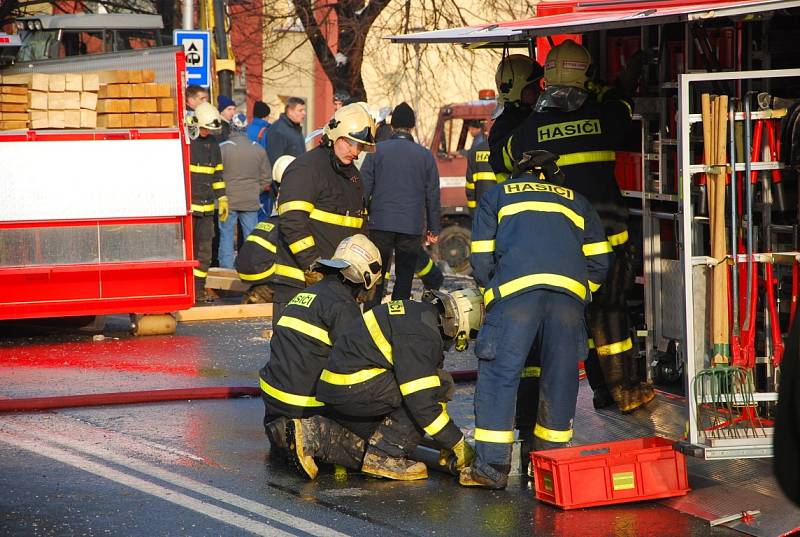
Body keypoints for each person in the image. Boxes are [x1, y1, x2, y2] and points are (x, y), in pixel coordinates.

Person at [488, 40, 653, 413]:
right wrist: (620, 84)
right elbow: (623, 106)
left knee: (573, 316)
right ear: (586, 77)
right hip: (609, 238)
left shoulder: (526, 132)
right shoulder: (604, 118)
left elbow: (505, 156)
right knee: (609, 312)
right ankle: (622, 389)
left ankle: (592, 391)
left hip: (558, 246)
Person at [461, 150, 612, 489]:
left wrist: (493, 290)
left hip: (515, 297)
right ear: (553, 175)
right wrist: (579, 291)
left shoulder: (497, 196)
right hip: (567, 304)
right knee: (560, 382)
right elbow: (601, 261)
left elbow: (481, 257)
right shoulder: (577, 201)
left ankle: (491, 469)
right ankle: (549, 469)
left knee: (500, 377)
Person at [287, 289, 483, 481]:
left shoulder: (417, 313)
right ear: (463, 327)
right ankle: (385, 457)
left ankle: (312, 434)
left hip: (341, 386)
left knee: (373, 437)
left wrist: (443, 440)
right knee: (438, 386)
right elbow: (423, 402)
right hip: (355, 386)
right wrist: (455, 442)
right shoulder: (423, 336)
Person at [259, 234, 383, 461]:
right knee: (376, 394)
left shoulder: (305, 295)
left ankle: (285, 433)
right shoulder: (343, 305)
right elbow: (358, 361)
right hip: (304, 406)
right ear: (362, 277)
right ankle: (318, 437)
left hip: (274, 405)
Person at [272, 103, 376, 320]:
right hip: (299, 286)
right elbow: (292, 222)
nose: (355, 152)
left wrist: (365, 274)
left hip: (338, 288)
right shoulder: (306, 169)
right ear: (334, 135)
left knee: (337, 352)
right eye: (350, 144)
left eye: (360, 147)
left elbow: (360, 229)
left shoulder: (352, 177)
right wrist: (313, 266)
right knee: (294, 351)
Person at [361, 102, 440, 309]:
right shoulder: (425, 156)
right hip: (411, 226)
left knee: (376, 274)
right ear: (412, 127)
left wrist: (361, 219)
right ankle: (399, 318)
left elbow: (363, 188)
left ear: (393, 126)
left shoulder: (375, 151)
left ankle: (372, 317)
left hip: (380, 224)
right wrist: (433, 228)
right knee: (404, 277)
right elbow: (432, 195)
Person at [236, 155, 294, 304]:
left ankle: (258, 292)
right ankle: (264, 292)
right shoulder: (288, 220)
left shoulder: (270, 222)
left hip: (245, 268)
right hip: (260, 270)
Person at [188, 102, 229, 304]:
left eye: (209, 130)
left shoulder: (213, 144)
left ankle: (198, 290)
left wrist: (222, 198)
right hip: (189, 210)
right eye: (204, 129)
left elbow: (217, 174)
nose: (206, 133)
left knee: (204, 253)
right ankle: (187, 290)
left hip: (206, 210)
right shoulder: (188, 142)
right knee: (189, 251)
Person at [218, 113, 271, 269]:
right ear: (246, 128)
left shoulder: (223, 149)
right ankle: (250, 268)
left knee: (226, 236)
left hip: (227, 201)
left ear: (231, 128)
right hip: (251, 200)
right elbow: (266, 178)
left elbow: (217, 175)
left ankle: (226, 269)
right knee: (251, 238)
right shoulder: (258, 149)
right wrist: (256, 190)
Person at [487, 55, 543, 180]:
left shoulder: (527, 116)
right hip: (516, 196)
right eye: (532, 87)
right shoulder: (504, 125)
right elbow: (499, 160)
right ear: (515, 90)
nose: (539, 90)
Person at [464, 119, 496, 213]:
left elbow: (470, 185)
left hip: (482, 206)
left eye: (471, 129)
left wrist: (472, 211)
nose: (470, 131)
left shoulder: (474, 151)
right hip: (501, 206)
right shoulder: (504, 150)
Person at [267, 96, 307, 164]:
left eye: (304, 110)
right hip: (287, 173)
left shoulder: (295, 128)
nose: (304, 113)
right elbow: (275, 162)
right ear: (290, 111)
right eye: (300, 110)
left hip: (298, 172)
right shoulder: (278, 130)